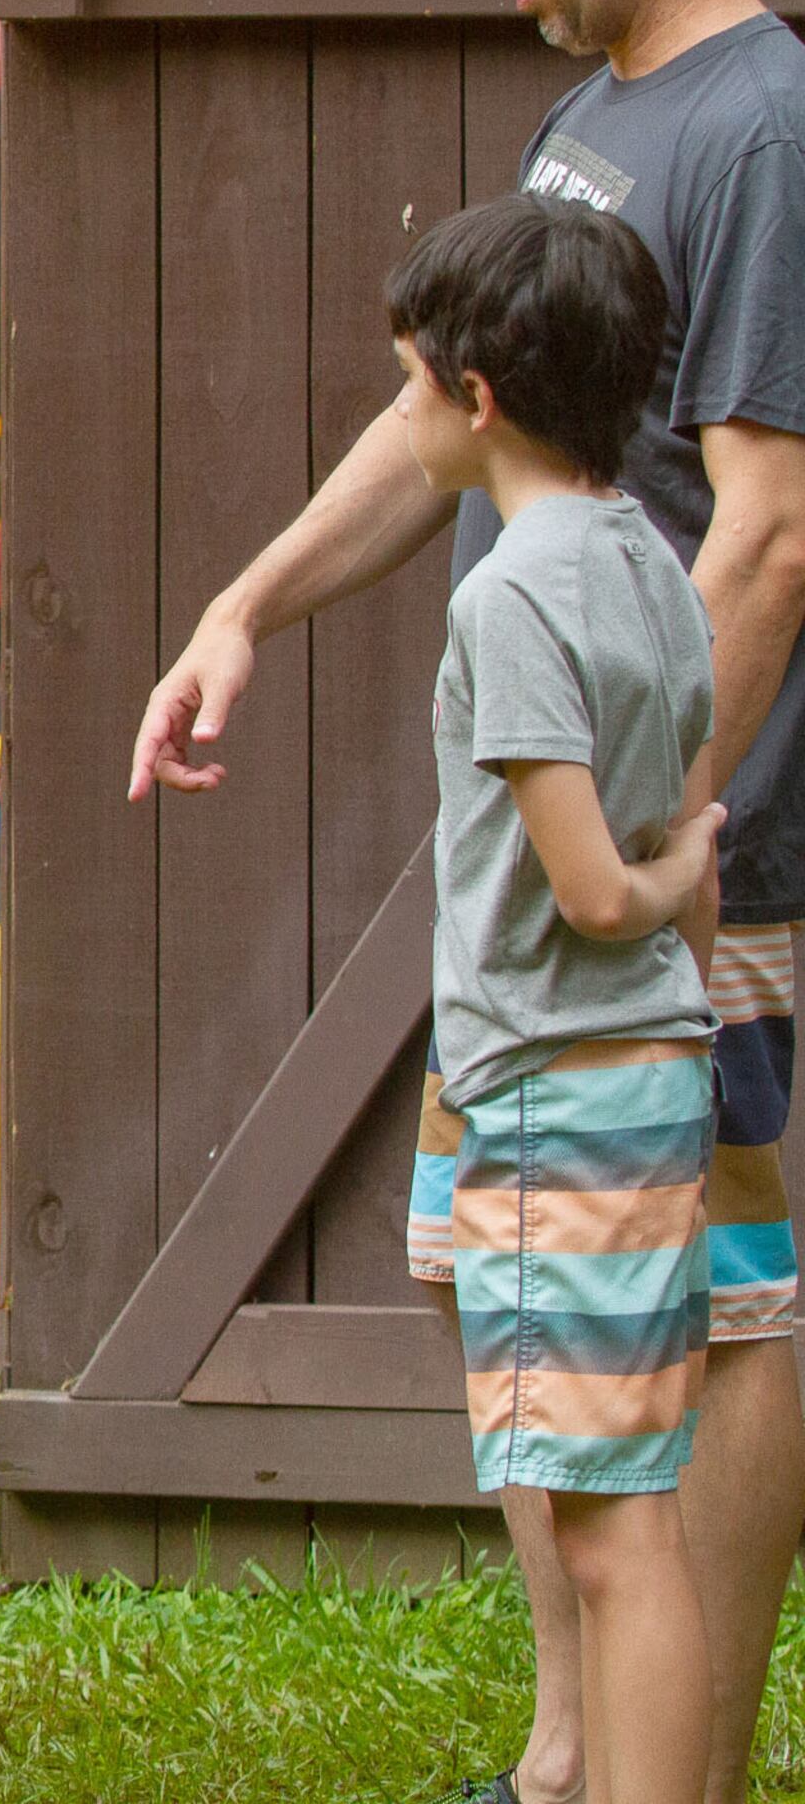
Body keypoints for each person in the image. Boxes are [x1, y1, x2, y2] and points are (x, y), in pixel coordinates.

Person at [133, 0, 805, 1804]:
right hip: (573, 877)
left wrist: (640, 843)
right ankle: (570, 1749)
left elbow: (773, 529)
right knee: (522, 1281)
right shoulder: (609, 114)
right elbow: (451, 413)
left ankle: (666, 1768)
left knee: (720, 1307)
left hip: (704, 866)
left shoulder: (766, 124)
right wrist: (244, 605)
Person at [396, 195, 724, 1804]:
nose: (403, 421)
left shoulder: (512, 593)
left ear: (478, 397)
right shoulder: (654, 565)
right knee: (633, 1500)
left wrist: (654, 897)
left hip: (558, 1091)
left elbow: (608, 885)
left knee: (611, 1536)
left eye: (408, 390)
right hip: (647, 1085)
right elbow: (681, 843)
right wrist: (679, 899)